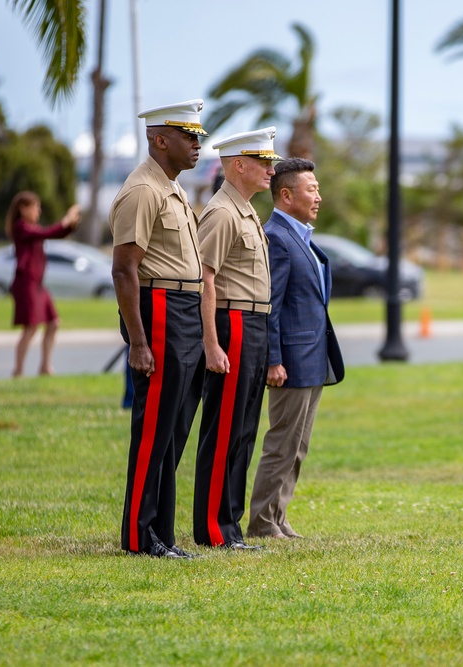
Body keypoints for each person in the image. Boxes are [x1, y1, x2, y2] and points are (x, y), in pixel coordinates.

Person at [109, 99, 209, 560]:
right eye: (189, 136)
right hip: (160, 310)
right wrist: (139, 342)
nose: (197, 144)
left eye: (199, 136)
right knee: (153, 430)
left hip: (184, 310)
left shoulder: (172, 189)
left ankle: (162, 536)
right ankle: (139, 536)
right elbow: (125, 270)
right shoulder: (142, 191)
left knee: (172, 431)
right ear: (159, 139)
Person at [247, 158, 344, 540]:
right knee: (282, 443)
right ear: (285, 196)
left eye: (318, 188)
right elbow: (270, 304)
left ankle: (278, 516)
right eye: (311, 189)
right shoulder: (278, 239)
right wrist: (274, 360)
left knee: (298, 446)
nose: (318, 196)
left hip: (312, 360)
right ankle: (261, 523)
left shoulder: (301, 236)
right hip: (290, 362)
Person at [194, 127, 280, 550]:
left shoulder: (244, 210)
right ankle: (213, 528)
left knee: (243, 431)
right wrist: (211, 342)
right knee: (224, 428)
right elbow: (204, 280)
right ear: (238, 165)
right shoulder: (223, 212)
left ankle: (230, 526)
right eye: (263, 162)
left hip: (255, 326)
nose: (271, 169)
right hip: (233, 325)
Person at [7, 191, 81, 377]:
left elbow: (56, 234)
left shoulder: (31, 228)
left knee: (53, 323)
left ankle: (45, 366)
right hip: (26, 284)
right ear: (23, 209)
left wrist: (71, 223)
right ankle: (18, 371)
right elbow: (48, 232)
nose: (38, 211)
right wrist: (66, 219)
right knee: (30, 328)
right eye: (35, 207)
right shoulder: (21, 227)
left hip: (38, 285)